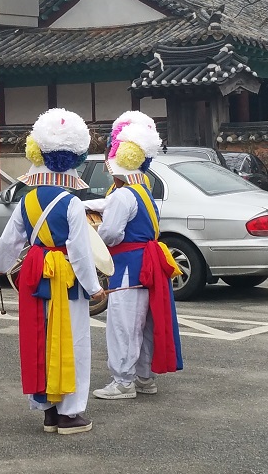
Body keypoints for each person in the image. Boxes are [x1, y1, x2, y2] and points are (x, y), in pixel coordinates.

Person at [0, 108, 105, 435]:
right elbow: (81, 253)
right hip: (64, 275)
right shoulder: (71, 203)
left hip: (35, 274)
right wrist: (94, 287)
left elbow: (7, 244)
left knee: (40, 337)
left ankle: (49, 411)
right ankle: (70, 412)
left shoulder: (26, 202)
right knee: (73, 340)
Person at [84, 111, 182, 401]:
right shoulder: (142, 190)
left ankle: (122, 381)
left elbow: (111, 234)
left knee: (123, 326)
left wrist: (91, 240)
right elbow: (113, 206)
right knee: (145, 324)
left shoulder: (122, 195)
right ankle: (144, 378)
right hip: (147, 266)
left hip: (127, 267)